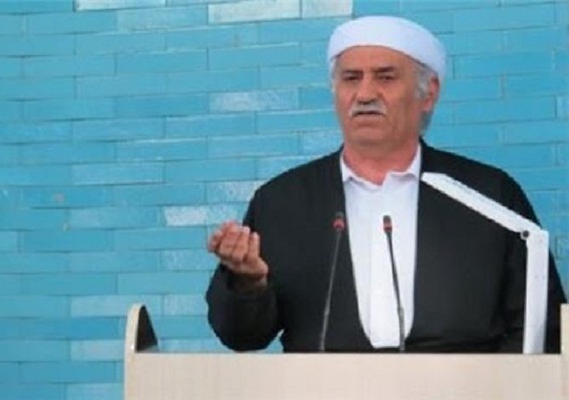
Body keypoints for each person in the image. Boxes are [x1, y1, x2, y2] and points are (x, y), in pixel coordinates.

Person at [205, 15, 567, 353]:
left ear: (429, 93)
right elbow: (242, 337)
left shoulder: (489, 196)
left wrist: (492, 386)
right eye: (351, 78)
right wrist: (248, 284)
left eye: (385, 77)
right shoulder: (283, 201)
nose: (364, 94)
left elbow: (540, 326)